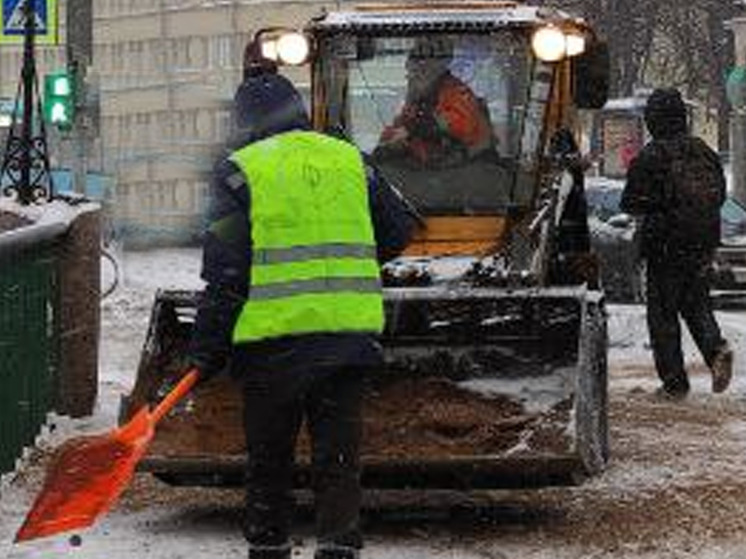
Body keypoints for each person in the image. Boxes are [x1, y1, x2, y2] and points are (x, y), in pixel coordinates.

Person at [185, 71, 418, 559]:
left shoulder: (239, 172)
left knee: (270, 464)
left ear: (246, 123)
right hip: (348, 341)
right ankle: (338, 548)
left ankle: (269, 549)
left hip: (274, 348)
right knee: (337, 463)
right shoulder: (350, 159)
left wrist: (206, 350)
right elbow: (398, 230)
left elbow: (227, 273)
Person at [621, 87, 733, 399]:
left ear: (653, 119)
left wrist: (657, 206)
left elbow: (630, 203)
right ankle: (716, 350)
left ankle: (674, 384)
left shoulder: (652, 155)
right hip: (702, 244)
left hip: (665, 247)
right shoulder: (704, 151)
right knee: (697, 304)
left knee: (663, 316)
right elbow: (720, 196)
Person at [373, 36, 493, 167]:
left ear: (433, 70)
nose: (411, 77)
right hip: (431, 172)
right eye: (411, 71)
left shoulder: (457, 93)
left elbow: (457, 123)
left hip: (471, 168)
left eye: (418, 71)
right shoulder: (418, 100)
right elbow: (401, 125)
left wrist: (411, 130)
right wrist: (387, 145)